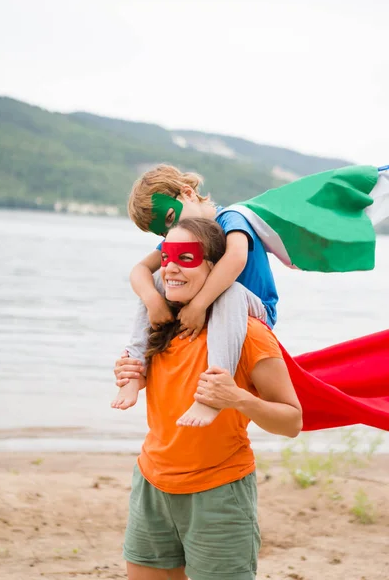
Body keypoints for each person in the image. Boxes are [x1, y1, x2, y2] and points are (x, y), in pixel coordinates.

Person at [115, 217, 302, 580]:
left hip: (218, 493)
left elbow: (292, 421)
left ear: (214, 267)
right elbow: (168, 386)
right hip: (152, 484)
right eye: (166, 257)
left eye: (186, 258)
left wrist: (238, 399)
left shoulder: (248, 334)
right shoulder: (163, 321)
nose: (170, 268)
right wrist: (133, 376)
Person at [112, 164, 279, 427]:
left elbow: (236, 257)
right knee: (157, 279)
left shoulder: (232, 217)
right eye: (164, 233)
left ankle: (211, 392)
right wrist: (153, 301)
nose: (171, 231)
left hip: (252, 308)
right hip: (211, 309)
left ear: (187, 193)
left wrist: (198, 305)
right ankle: (133, 368)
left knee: (230, 290)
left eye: (169, 218)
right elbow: (140, 270)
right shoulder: (183, 233)